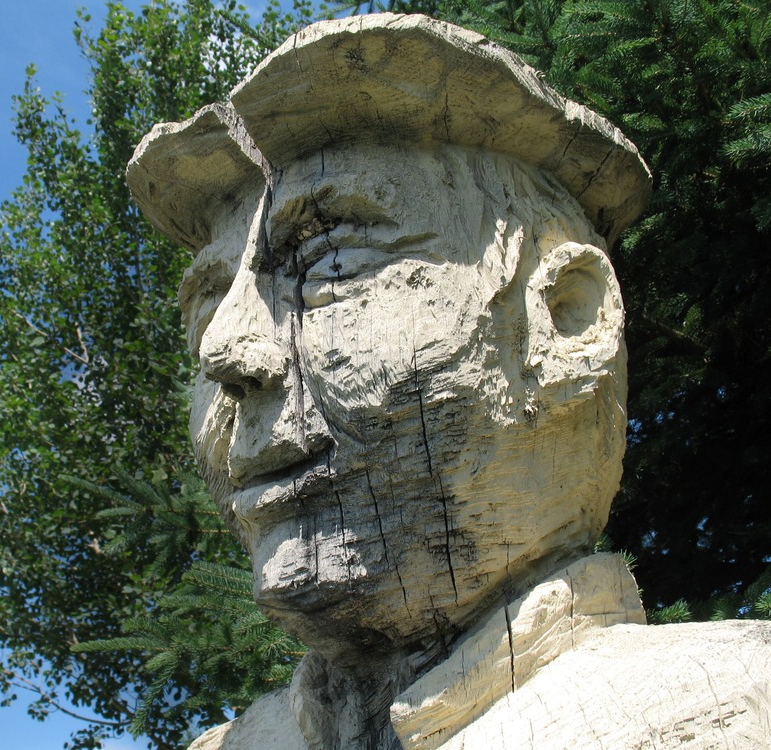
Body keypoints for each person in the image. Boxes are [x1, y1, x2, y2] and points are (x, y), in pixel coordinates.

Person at [127, 14, 771, 750]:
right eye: (207, 306)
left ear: (566, 319)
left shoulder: (743, 708)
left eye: (327, 262)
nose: (226, 351)